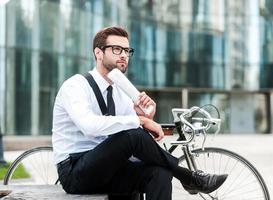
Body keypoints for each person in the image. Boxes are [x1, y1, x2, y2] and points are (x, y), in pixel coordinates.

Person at [52, 26, 227, 200]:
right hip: (76, 171)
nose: (123, 55)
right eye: (117, 49)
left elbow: (133, 134)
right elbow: (89, 126)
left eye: (127, 51)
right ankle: (188, 176)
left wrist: (145, 115)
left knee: (160, 173)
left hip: (110, 169)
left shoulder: (120, 92)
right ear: (98, 53)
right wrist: (140, 120)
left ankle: (185, 177)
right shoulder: (75, 86)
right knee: (133, 134)